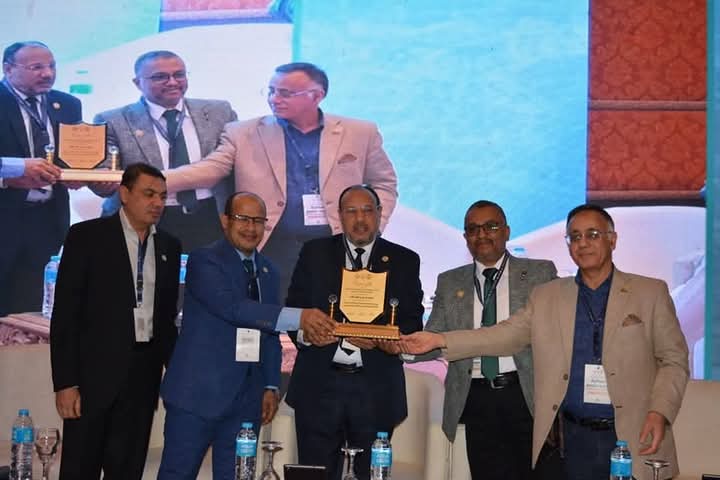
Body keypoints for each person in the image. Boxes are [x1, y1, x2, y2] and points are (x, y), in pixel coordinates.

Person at [400, 204, 689, 480]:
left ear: (612, 240)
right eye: (575, 236)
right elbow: (502, 335)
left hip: (633, 435)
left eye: (592, 234)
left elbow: (674, 360)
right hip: (570, 440)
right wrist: (439, 339)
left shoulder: (650, 292)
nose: (583, 243)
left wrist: (660, 412)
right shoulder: (548, 295)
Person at [162, 62, 398, 296]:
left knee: (331, 313)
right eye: (271, 91)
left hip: (337, 243)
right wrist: (152, 180)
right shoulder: (243, 133)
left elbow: (384, 183)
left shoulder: (359, 132)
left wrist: (373, 227)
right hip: (271, 245)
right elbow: (209, 170)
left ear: (317, 96)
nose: (274, 99)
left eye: (285, 93)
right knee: (274, 313)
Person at [157, 192, 336, 480]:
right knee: (177, 474)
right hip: (197, 396)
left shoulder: (268, 270)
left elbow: (269, 332)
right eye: (243, 219)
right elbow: (233, 308)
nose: (251, 228)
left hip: (246, 401)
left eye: (258, 221)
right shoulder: (204, 260)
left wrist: (270, 385)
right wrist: (300, 317)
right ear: (225, 220)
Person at [405, 200, 557, 480]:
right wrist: (401, 348)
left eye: (491, 227)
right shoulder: (450, 281)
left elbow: (543, 334)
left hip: (526, 394)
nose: (482, 234)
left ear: (507, 231)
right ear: (465, 237)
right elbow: (433, 339)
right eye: (473, 229)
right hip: (476, 398)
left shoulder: (539, 273)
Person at [50, 163, 181, 479]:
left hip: (143, 378)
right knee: (80, 469)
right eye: (148, 194)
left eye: (163, 196)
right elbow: (66, 315)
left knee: (128, 469)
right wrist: (66, 383)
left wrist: (176, 376)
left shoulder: (169, 246)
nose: (157, 203)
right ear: (124, 193)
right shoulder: (87, 237)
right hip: (92, 379)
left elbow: (165, 321)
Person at [285, 184, 423, 480]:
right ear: (339, 215)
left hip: (375, 389)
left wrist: (385, 340)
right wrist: (308, 334)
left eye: (367, 211)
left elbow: (412, 322)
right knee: (316, 473)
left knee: (369, 474)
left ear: (380, 213)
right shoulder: (314, 253)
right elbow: (294, 309)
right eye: (351, 211)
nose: (360, 219)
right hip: (318, 386)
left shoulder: (404, 260)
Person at [94, 50, 237, 251]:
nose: (172, 82)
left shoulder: (219, 112)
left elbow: (235, 163)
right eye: (160, 77)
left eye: (179, 75)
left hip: (210, 217)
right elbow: (104, 179)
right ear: (137, 83)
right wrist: (95, 179)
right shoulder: (113, 120)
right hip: (143, 220)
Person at [0, 41, 82, 317]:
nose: (47, 74)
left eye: (51, 66)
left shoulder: (67, 104)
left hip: (46, 220)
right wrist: (13, 170)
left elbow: (73, 156)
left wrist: (79, 174)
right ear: (8, 69)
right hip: (3, 214)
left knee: (30, 307)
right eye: (36, 67)